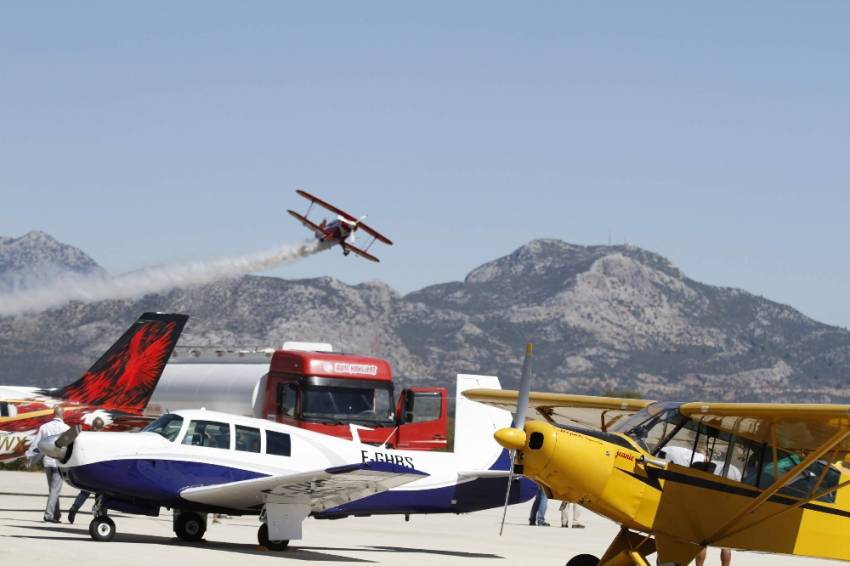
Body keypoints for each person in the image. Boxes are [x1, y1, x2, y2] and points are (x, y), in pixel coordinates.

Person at [26, 406, 70, 523]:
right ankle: (48, 515)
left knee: (53, 490)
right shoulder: (66, 429)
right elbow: (70, 447)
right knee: (55, 490)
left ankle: (57, 514)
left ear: (53, 414)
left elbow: (36, 445)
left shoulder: (44, 427)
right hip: (58, 463)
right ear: (63, 415)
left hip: (47, 462)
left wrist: (30, 458)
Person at [67, 416, 105, 524]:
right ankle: (102, 516)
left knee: (84, 492)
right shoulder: (104, 438)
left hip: (87, 467)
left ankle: (74, 509)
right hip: (100, 469)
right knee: (102, 494)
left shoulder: (86, 436)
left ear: (93, 426)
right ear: (101, 427)